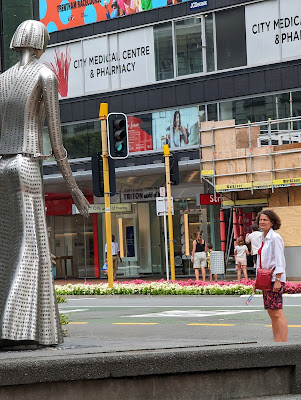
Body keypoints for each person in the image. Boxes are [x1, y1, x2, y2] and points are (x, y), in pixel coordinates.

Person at [0, 20, 89, 347]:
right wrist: (76, 192)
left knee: (7, 247)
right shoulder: (45, 76)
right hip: (25, 164)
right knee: (31, 245)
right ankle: (16, 328)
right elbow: (57, 143)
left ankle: (37, 330)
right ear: (41, 43)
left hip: (2, 166)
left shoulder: (2, 80)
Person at [256, 210, 287, 342]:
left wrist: (278, 280)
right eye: (261, 220)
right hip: (265, 279)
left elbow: (280, 260)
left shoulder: (275, 238)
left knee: (277, 312)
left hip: (274, 279)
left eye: (265, 220)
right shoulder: (262, 237)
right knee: (271, 312)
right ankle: (276, 342)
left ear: (272, 222)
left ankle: (284, 344)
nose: (262, 222)